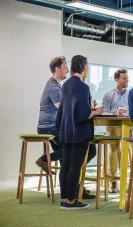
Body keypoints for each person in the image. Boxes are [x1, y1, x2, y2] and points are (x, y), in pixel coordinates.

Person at [35, 56, 96, 200]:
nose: (67, 70)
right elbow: (65, 109)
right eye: (64, 67)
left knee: (66, 160)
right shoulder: (54, 87)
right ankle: (45, 159)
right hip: (50, 126)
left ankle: (72, 190)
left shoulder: (62, 86)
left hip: (56, 125)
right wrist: (91, 110)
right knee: (77, 153)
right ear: (57, 69)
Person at [57, 55, 104, 210]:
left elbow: (68, 108)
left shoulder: (66, 84)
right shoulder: (83, 87)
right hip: (79, 131)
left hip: (65, 130)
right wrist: (95, 112)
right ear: (84, 67)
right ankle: (71, 201)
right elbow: (83, 114)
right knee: (75, 166)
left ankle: (64, 197)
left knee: (66, 164)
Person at [102, 69, 129, 193]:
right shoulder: (109, 95)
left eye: (127, 77)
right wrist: (115, 113)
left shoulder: (131, 94)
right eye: (124, 78)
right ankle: (114, 181)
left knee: (132, 150)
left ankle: (131, 180)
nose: (126, 80)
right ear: (117, 79)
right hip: (113, 126)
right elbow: (104, 112)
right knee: (114, 150)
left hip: (128, 126)